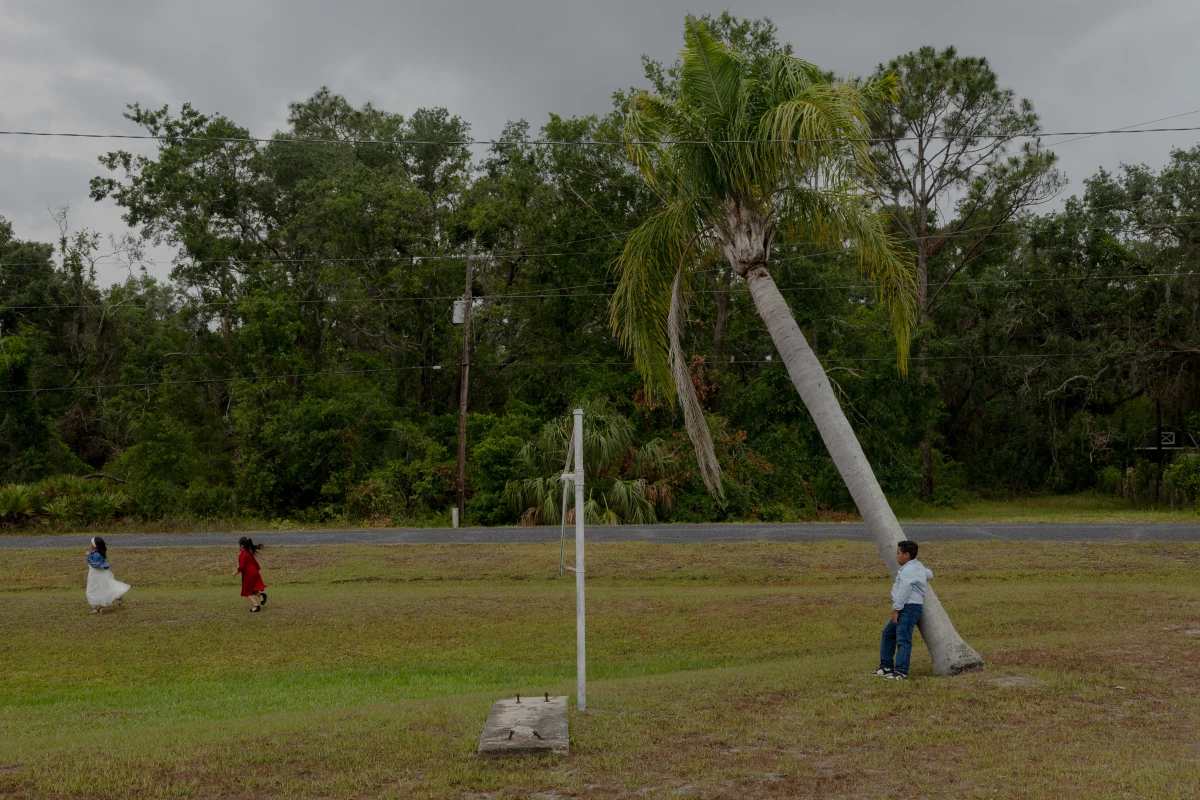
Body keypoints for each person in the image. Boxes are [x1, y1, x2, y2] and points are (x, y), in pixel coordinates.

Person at [874, 540, 932, 681]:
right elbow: (930, 574)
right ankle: (887, 666)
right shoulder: (916, 567)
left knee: (903, 639)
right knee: (888, 634)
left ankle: (901, 671)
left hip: (908, 607)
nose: (896, 555)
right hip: (909, 607)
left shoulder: (908, 571)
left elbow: (904, 591)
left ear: (906, 555)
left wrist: (896, 609)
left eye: (898, 553)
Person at [86, 536, 131, 613]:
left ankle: (98, 608)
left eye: (91, 543)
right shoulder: (97, 553)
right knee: (105, 587)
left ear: (94, 545)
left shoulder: (96, 554)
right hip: (100, 574)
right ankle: (117, 595)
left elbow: (95, 564)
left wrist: (88, 557)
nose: (89, 545)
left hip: (97, 575)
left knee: (92, 591)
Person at [233, 536, 267, 612]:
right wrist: (258, 573)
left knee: (246, 591)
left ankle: (256, 606)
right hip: (254, 572)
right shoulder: (249, 553)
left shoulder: (242, 554)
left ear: (241, 546)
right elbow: (256, 564)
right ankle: (261, 595)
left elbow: (241, 566)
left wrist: (235, 572)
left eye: (238, 544)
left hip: (248, 574)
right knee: (252, 589)